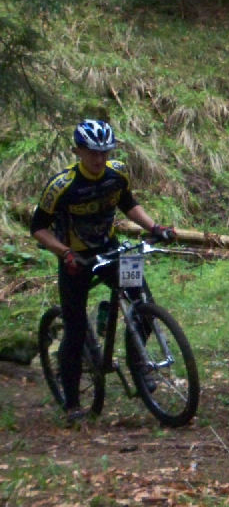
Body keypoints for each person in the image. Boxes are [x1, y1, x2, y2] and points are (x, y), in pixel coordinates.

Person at [30, 119, 176, 424]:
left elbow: (128, 204)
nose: (99, 159)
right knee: (75, 330)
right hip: (75, 260)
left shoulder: (118, 172)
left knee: (143, 305)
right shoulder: (62, 186)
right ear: (78, 152)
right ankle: (72, 404)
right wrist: (64, 252)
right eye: (92, 153)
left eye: (104, 152)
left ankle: (138, 365)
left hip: (111, 249)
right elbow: (39, 228)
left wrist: (155, 227)